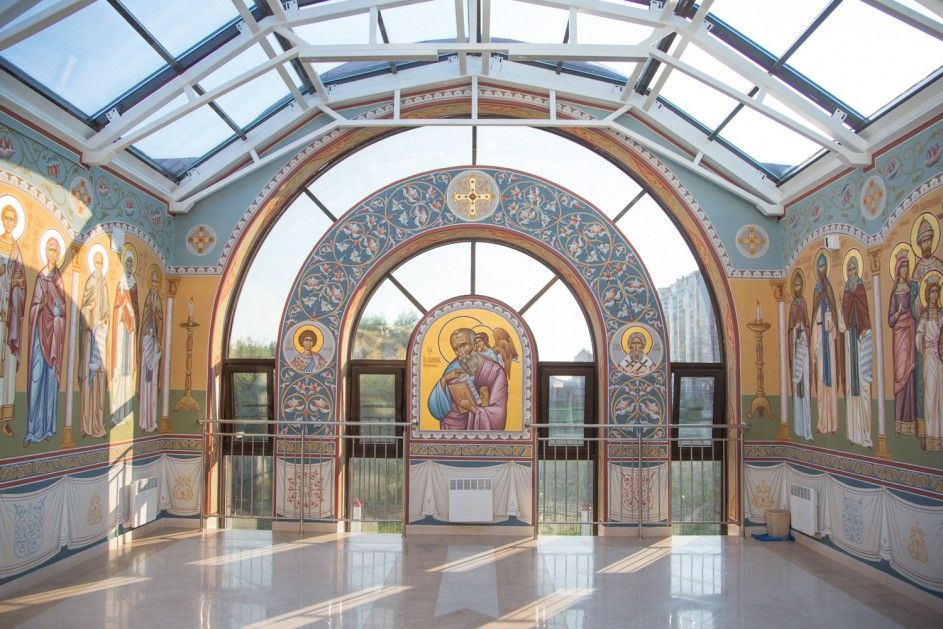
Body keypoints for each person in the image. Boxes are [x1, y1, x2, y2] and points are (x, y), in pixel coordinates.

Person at [25, 235, 65, 446]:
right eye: (49, 249)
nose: (52, 253)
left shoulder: (59, 282)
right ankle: (32, 430)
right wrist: (40, 307)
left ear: (58, 255)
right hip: (40, 336)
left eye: (55, 250)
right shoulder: (41, 278)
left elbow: (64, 310)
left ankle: (48, 427)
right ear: (46, 252)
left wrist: (59, 313)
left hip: (54, 341)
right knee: (35, 379)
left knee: (50, 384)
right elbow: (33, 308)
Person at [428, 327, 507, 431]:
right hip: (453, 427)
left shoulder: (495, 371)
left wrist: (471, 408)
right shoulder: (453, 367)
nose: (460, 353)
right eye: (456, 349)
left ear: (474, 344)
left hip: (478, 429)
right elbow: (437, 409)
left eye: (463, 346)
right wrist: (444, 380)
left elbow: (498, 413)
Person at [840, 254, 872, 448]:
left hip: (862, 341)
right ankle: (853, 434)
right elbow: (842, 321)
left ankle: (866, 436)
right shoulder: (845, 292)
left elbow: (865, 313)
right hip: (849, 343)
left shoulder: (860, 290)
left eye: (853, 269)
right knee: (851, 389)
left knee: (864, 385)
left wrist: (865, 329)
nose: (851, 273)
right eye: (849, 270)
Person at [0, 203, 25, 437]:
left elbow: (22, 285)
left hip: (10, 320)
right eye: (6, 218)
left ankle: (5, 419)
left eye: (12, 219)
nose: (9, 222)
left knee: (8, 366)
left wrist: (17, 285)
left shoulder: (17, 251)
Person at [78, 248, 109, 438]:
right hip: (89, 339)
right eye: (96, 262)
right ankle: (85, 424)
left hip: (100, 339)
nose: (98, 266)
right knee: (88, 378)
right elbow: (82, 310)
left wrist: (103, 322)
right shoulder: (90, 282)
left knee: (99, 380)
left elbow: (107, 313)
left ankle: (98, 423)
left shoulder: (104, 285)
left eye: (101, 263)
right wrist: (89, 310)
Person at [811, 252, 842, 434]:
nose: (822, 269)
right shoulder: (816, 291)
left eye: (824, 266)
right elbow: (814, 320)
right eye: (819, 266)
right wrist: (815, 345)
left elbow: (837, 320)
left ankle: (834, 424)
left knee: (831, 382)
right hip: (820, 345)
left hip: (829, 343)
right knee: (821, 382)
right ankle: (822, 422)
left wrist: (833, 327)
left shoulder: (829, 290)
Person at [888, 248, 917, 437]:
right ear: (898, 270)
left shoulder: (911, 290)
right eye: (902, 267)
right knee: (899, 375)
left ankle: (911, 422)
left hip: (910, 331)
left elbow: (916, 310)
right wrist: (898, 313)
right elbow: (890, 320)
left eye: (907, 266)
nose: (905, 270)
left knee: (910, 375)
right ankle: (898, 423)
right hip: (899, 335)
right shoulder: (894, 294)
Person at [111, 248, 138, 426]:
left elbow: (137, 310)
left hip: (130, 333)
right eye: (127, 261)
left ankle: (126, 414)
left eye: (131, 262)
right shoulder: (120, 283)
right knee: (119, 372)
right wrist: (123, 308)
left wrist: (132, 314)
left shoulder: (134, 284)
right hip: (121, 331)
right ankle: (115, 413)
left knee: (127, 374)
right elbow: (116, 308)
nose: (129, 264)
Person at [915, 275, 943, 451]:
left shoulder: (941, 315)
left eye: (936, 292)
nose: (934, 295)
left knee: (941, 395)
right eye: (931, 292)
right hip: (930, 359)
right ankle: (931, 436)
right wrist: (924, 346)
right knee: (931, 395)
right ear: (927, 294)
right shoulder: (924, 316)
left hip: (941, 358)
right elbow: (919, 336)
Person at [788, 270, 812, 440]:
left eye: (799, 285)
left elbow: (808, 326)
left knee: (806, 389)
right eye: (795, 285)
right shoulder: (792, 306)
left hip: (803, 352)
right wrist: (795, 330)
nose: (797, 288)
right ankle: (798, 428)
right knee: (797, 390)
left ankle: (807, 429)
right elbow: (790, 330)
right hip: (796, 350)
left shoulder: (803, 304)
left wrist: (803, 329)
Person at [138, 267, 163, 432]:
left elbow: (160, 320)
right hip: (147, 343)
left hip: (154, 345)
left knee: (153, 385)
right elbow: (145, 320)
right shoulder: (148, 299)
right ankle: (143, 421)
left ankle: (152, 421)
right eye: (152, 281)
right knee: (145, 385)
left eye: (156, 281)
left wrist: (158, 338)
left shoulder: (158, 301)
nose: (154, 284)